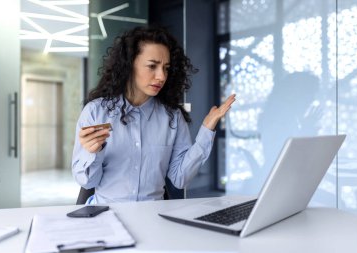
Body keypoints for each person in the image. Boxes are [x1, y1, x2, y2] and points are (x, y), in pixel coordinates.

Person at [72, 26, 235, 204]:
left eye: (166, 68)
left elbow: (180, 178)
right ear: (129, 64)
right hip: (107, 215)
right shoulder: (96, 112)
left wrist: (207, 129)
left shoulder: (172, 117)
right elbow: (88, 182)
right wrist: (93, 152)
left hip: (153, 216)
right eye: (152, 66)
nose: (161, 76)